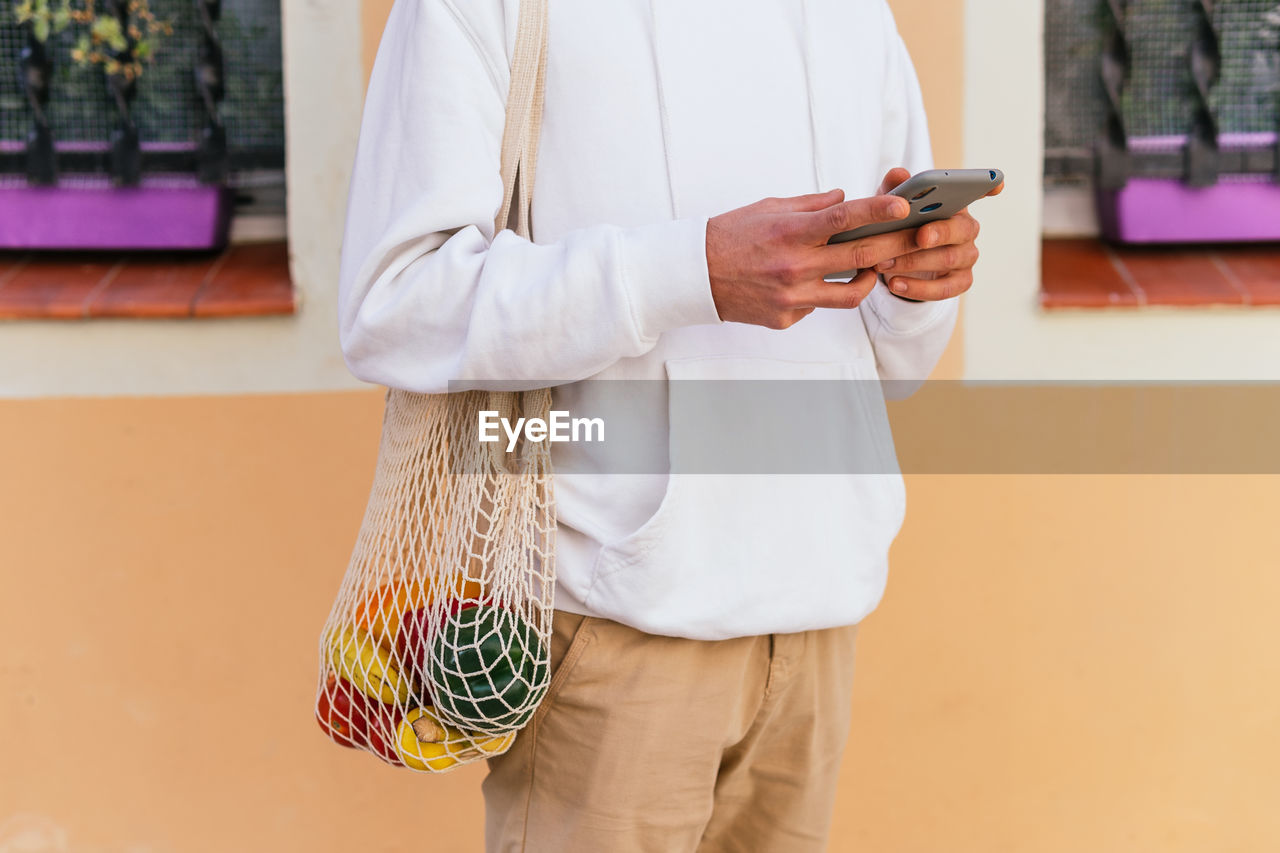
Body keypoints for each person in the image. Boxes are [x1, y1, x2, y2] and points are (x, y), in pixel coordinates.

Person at [338, 1, 995, 850]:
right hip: (609, 630)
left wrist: (914, 285)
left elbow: (892, 369)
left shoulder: (854, 13)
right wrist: (693, 270)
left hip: (818, 615)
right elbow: (394, 304)